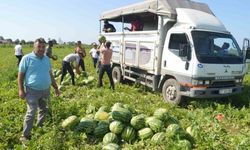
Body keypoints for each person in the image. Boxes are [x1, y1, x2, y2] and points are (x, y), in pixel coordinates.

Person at [18, 38, 60, 142]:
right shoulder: (26, 58)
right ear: (34, 47)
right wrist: (21, 90)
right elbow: (20, 75)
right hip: (32, 91)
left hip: (46, 90)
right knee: (31, 113)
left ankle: (40, 127)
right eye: (39, 47)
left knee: (44, 109)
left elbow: (50, 74)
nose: (41, 49)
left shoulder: (46, 59)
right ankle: (25, 135)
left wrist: (56, 88)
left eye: (43, 47)